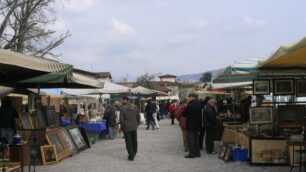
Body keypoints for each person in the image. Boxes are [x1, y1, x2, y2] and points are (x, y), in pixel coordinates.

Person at [120, 97, 140, 161]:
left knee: (129, 142)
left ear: (124, 100)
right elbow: (138, 117)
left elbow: (121, 120)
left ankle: (131, 156)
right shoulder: (135, 107)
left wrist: (122, 127)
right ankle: (134, 152)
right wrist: (137, 124)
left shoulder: (122, 108)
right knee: (134, 140)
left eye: (122, 100)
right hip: (134, 126)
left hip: (127, 127)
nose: (121, 101)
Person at [182, 93, 202, 158]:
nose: (188, 98)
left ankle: (192, 154)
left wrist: (186, 106)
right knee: (196, 139)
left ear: (192, 97)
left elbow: (184, 114)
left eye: (189, 97)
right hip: (197, 124)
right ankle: (197, 153)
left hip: (191, 124)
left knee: (191, 139)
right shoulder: (199, 104)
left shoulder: (190, 105)